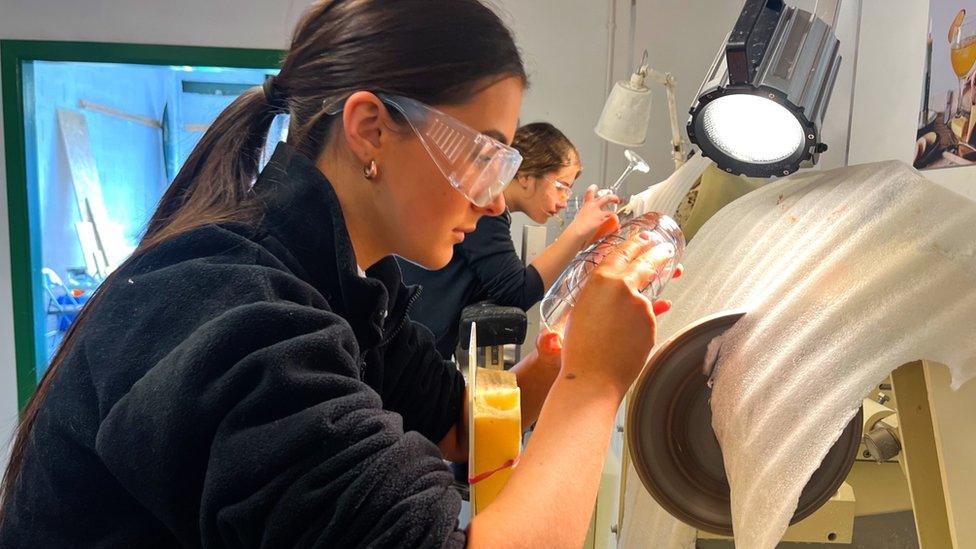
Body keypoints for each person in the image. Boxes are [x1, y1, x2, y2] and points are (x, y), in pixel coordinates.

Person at [0, 1, 672, 547]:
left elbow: (451, 425)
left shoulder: (350, 282)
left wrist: (559, 366)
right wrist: (595, 384)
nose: (495, 199)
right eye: (483, 158)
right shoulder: (229, 304)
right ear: (371, 130)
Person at [399, 122, 620, 358]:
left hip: (420, 345)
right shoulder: (483, 212)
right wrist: (576, 232)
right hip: (408, 348)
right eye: (561, 187)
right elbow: (516, 292)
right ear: (524, 175)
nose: (564, 200)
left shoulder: (490, 215)